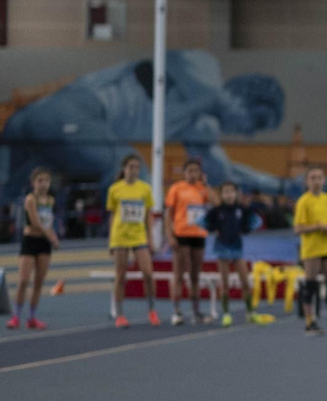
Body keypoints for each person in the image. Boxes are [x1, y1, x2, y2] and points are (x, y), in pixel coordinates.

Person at [0, 50, 291, 204]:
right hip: (71, 110)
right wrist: (212, 110)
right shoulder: (206, 69)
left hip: (34, 123)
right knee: (132, 167)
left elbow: (225, 173)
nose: (249, 134)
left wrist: (279, 186)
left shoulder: (197, 124)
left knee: (8, 190)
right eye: (256, 123)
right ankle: (131, 242)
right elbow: (173, 62)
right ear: (245, 101)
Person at [107, 154, 160, 328]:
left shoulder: (145, 189)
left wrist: (150, 238)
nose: (134, 170)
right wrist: (110, 241)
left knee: (148, 273)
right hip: (120, 236)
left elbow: (148, 215)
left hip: (139, 236)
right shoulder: (115, 189)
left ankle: (152, 310)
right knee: (121, 276)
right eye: (131, 167)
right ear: (124, 169)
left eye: (137, 167)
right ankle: (120, 315)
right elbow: (113, 215)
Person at [294, 167, 327, 335]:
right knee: (310, 285)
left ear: (324, 180)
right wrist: (317, 226)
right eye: (312, 178)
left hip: (326, 247)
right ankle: (310, 321)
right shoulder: (304, 201)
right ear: (307, 181)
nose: (316, 181)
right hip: (311, 249)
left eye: (319, 178)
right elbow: (298, 228)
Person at [205, 181, 263, 327]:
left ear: (237, 194)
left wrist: (248, 229)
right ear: (222, 195)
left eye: (231, 191)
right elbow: (205, 222)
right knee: (224, 283)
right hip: (222, 248)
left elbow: (255, 222)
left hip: (237, 248)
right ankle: (226, 314)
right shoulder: (217, 211)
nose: (229, 195)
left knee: (245, 281)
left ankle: (250, 312)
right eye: (225, 192)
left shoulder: (242, 210)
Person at [8, 168, 59, 329]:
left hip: (44, 244)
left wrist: (53, 236)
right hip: (30, 241)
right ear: (34, 183)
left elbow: (49, 223)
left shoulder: (51, 200)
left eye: (46, 181)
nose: (43, 184)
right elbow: (36, 223)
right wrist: (50, 236)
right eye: (40, 181)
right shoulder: (30, 199)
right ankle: (16, 316)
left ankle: (32, 317)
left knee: (39, 281)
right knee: (23, 280)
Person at [164, 158, 213, 326]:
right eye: (190, 171)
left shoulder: (202, 189)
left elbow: (217, 202)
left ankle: (196, 311)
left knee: (195, 276)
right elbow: (168, 214)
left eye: (196, 171)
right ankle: (176, 311)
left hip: (198, 235)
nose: (193, 174)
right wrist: (169, 236)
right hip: (181, 235)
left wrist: (206, 185)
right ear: (184, 172)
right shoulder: (177, 188)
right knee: (179, 274)